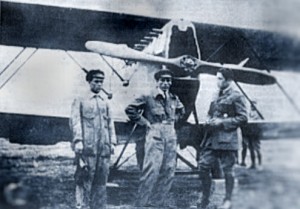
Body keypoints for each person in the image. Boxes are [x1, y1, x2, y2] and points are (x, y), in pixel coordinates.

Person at [125, 68, 185, 208]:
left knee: (169, 170)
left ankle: (156, 203)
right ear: (157, 82)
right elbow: (130, 109)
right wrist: (145, 123)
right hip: (155, 133)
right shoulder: (148, 96)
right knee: (151, 170)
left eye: (168, 80)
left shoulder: (173, 98)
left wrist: (174, 120)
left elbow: (182, 110)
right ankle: (142, 204)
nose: (166, 83)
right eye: (162, 80)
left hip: (170, 134)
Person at [197, 68, 247, 209]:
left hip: (227, 140)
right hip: (212, 139)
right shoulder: (215, 94)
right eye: (217, 78)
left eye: (220, 78)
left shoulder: (237, 96)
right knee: (203, 167)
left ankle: (227, 200)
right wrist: (208, 120)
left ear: (228, 80)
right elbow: (210, 113)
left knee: (228, 171)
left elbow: (243, 118)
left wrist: (222, 122)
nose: (217, 81)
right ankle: (205, 197)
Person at [70, 69, 116, 209]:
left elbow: (110, 123)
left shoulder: (105, 102)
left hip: (103, 148)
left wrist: (112, 142)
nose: (99, 84)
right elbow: (75, 121)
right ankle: (82, 206)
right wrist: (78, 141)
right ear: (89, 82)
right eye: (96, 81)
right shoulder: (81, 100)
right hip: (87, 147)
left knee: (101, 180)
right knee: (84, 178)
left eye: (101, 81)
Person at [240, 101, 262, 169]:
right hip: (249, 133)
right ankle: (253, 164)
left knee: (257, 149)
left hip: (255, 134)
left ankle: (260, 164)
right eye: (251, 105)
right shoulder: (249, 113)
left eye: (254, 105)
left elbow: (260, 123)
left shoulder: (258, 114)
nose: (252, 106)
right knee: (250, 148)